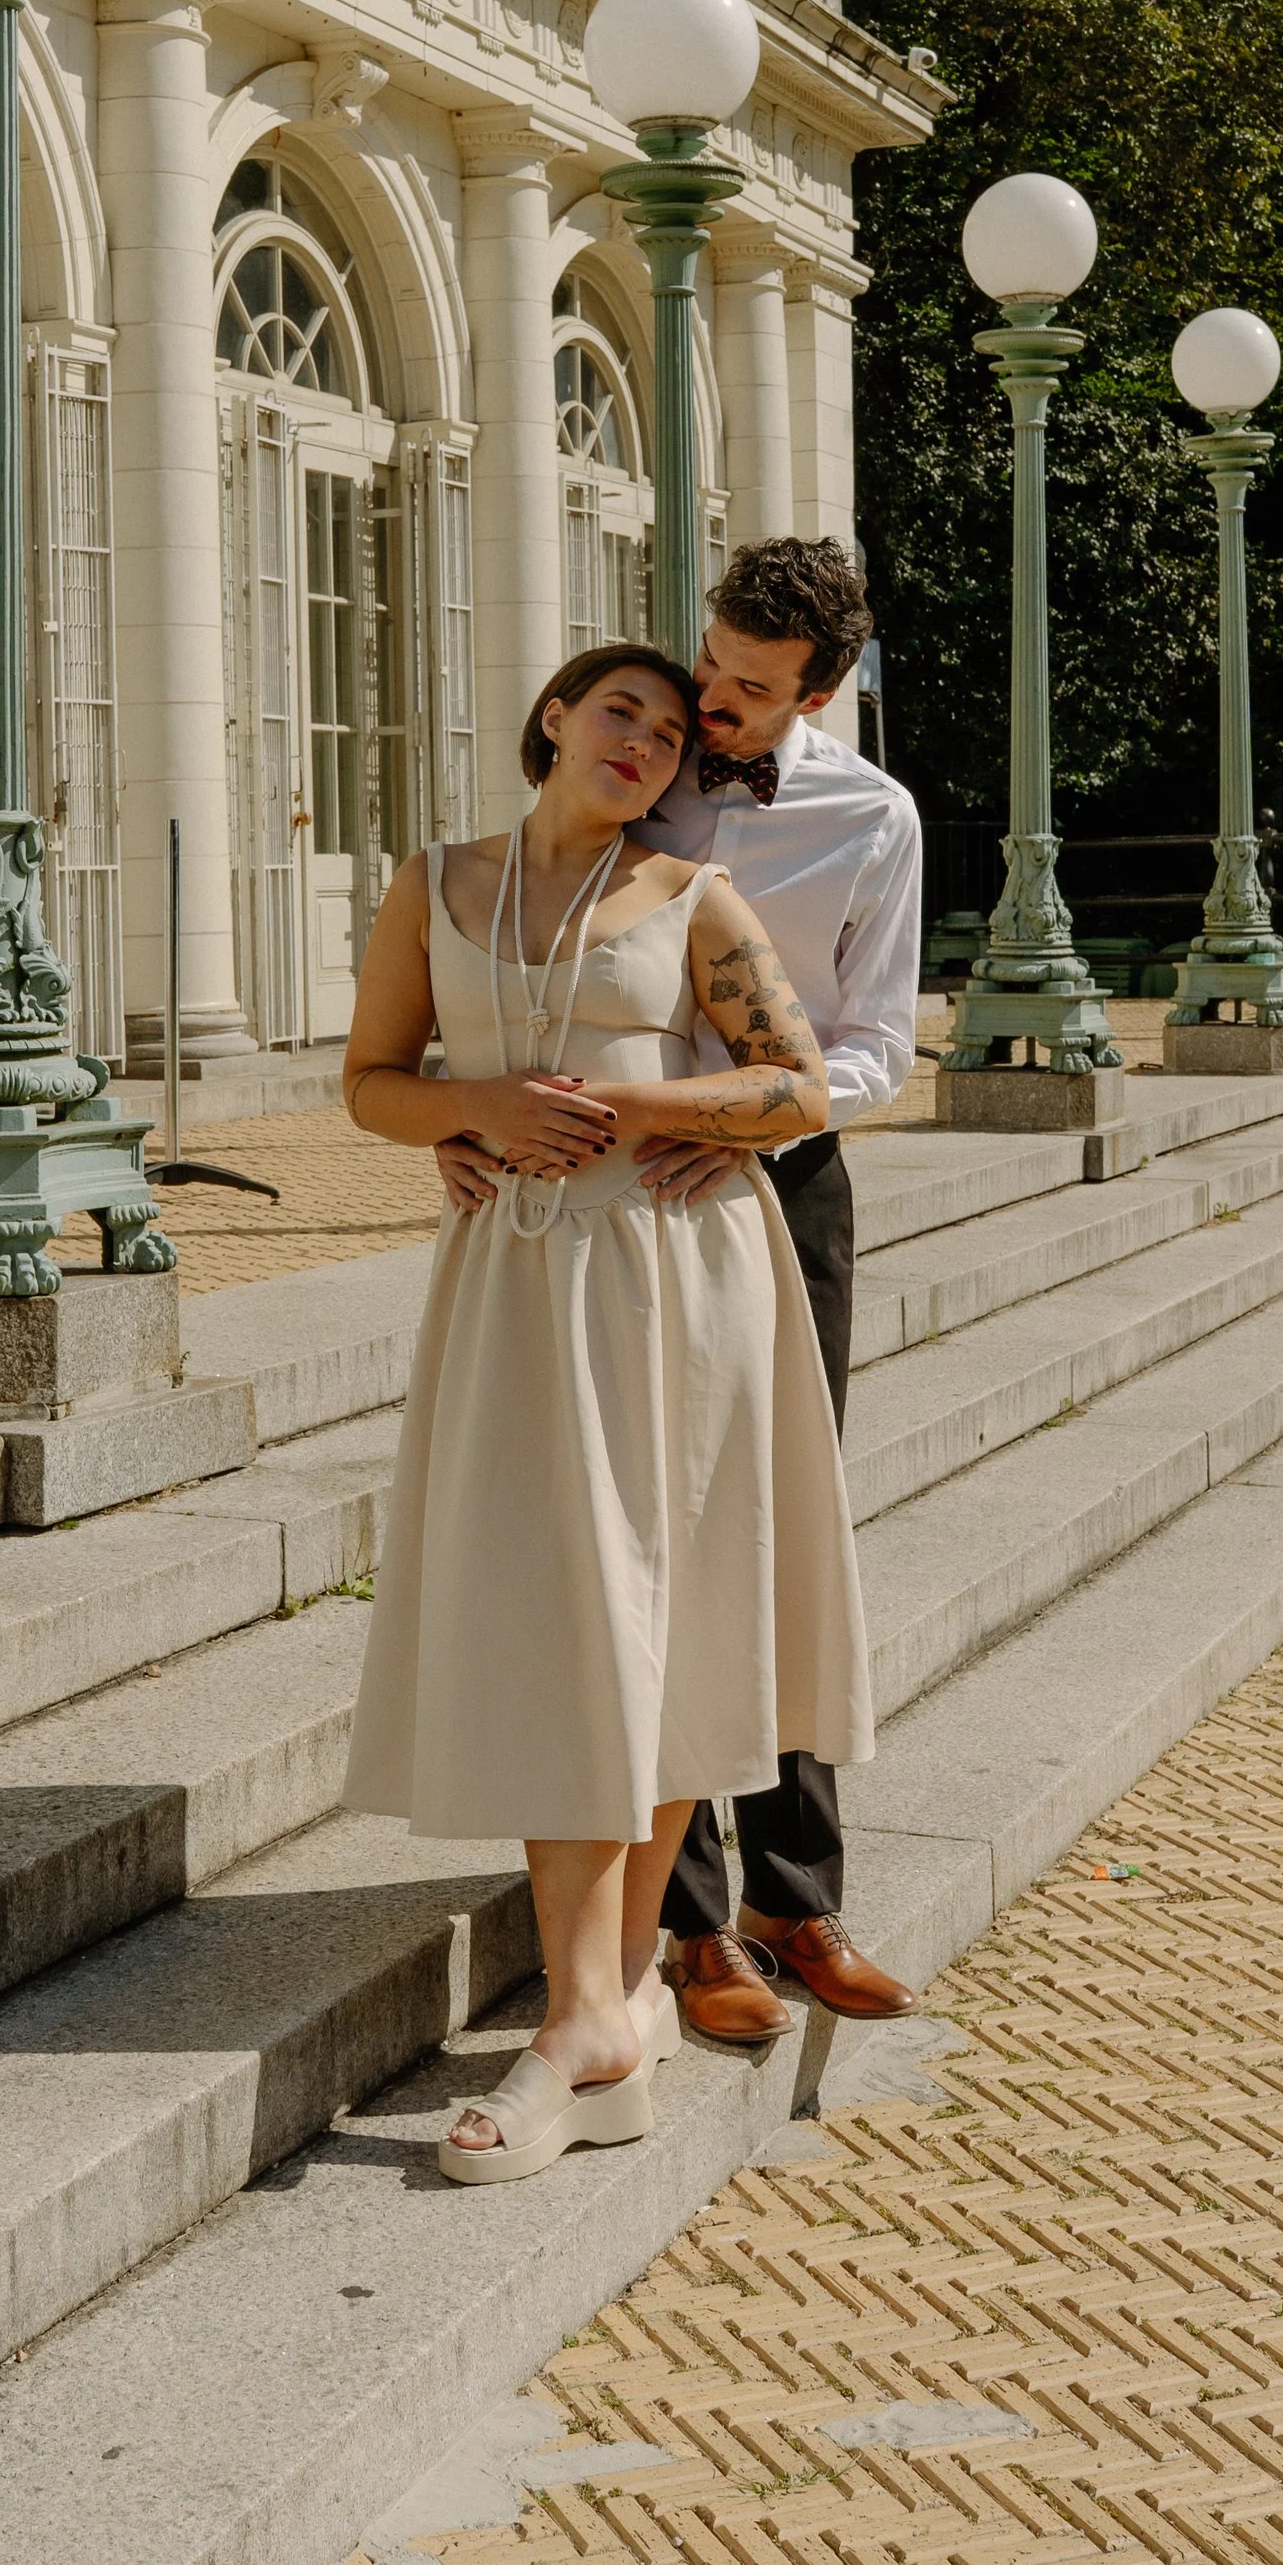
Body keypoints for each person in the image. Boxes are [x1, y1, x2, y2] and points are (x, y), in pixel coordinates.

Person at [340, 644, 875, 2186]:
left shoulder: (692, 899)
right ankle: (608, 2003)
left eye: (669, 728)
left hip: (673, 1276)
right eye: (619, 710)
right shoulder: (436, 884)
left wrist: (632, 1108)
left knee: (659, 1616)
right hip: (512, 1284)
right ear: (555, 720)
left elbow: (800, 1086)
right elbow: (370, 1080)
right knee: (555, 1617)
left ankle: (592, 2009)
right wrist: (470, 1109)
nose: (644, 738)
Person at [437, 539, 924, 2051]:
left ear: (818, 695)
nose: (707, 702)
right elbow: (516, 966)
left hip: (778, 1183)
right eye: (708, 661)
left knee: (770, 1526)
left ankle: (798, 1895)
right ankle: (693, 1923)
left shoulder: (874, 817)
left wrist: (738, 1125)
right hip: (600, 1196)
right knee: (650, 1553)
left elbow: (876, 1044)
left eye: (748, 688)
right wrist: (467, 1115)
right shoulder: (635, 763)